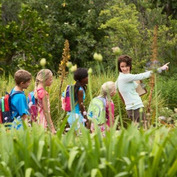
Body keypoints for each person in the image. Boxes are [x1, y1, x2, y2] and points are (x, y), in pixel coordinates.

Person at [115, 55, 169, 123]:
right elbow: (142, 75)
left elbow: (114, 87)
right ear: (119, 67)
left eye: (126, 66)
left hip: (132, 108)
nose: (125, 68)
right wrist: (161, 68)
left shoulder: (121, 77)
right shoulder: (125, 77)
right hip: (135, 108)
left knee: (139, 130)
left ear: (130, 66)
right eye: (122, 66)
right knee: (144, 129)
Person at [35, 69, 56, 133]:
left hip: (35, 119)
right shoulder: (44, 93)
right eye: (50, 79)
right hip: (42, 120)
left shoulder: (35, 91)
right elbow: (46, 112)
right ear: (45, 80)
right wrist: (52, 128)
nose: (51, 81)